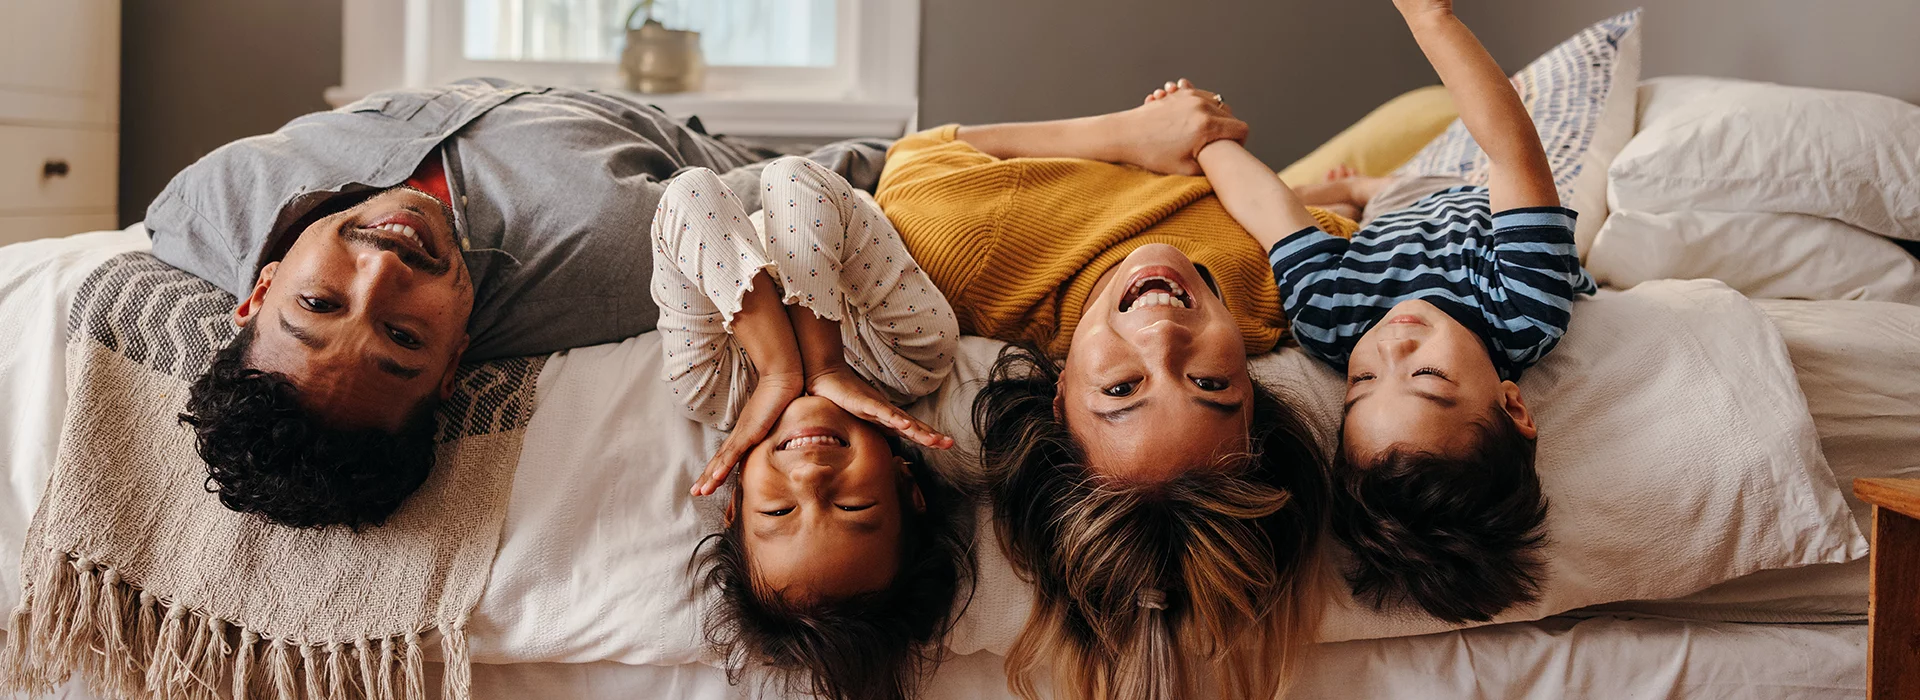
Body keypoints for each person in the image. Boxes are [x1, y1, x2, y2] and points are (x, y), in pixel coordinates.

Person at [153, 79, 888, 528]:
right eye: (404, 337)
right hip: (660, 133)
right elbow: (844, 178)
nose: (380, 270)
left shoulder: (208, 202)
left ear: (259, 289)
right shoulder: (615, 254)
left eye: (316, 302)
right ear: (454, 368)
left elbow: (168, 217)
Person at [875, 70, 1343, 700]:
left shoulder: (978, 258)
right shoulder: (1284, 288)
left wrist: (1130, 134)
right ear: (1253, 390)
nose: (1162, 336)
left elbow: (914, 155)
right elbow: (1338, 225)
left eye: (1122, 389)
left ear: (1059, 390)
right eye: (1209, 381)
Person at [1175, 0, 1595, 624]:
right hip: (1468, 192)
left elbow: (1269, 212)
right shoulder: (1527, 306)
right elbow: (1511, 153)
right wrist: (1433, 20)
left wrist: (1203, 137)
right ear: (1512, 403)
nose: (1390, 350)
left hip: (1382, 220)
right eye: (1428, 378)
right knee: (1446, 179)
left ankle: (1359, 192)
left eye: (1362, 383)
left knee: (1315, 202)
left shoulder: (1331, 320)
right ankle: (1363, 190)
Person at [649, 156, 971, 700]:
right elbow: (794, 178)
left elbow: (690, 194)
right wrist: (822, 363)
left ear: (734, 503)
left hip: (727, 209)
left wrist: (775, 371)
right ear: (907, 486)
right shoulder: (912, 355)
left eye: (778, 512)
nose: (810, 479)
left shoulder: (710, 386)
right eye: (853, 507)